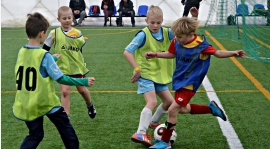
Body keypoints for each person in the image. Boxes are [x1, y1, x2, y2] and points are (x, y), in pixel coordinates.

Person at [146, 15, 246, 149]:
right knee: (182, 109)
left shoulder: (201, 45)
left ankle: (165, 142)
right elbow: (171, 53)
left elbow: (218, 53)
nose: (178, 39)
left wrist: (233, 53)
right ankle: (211, 109)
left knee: (172, 109)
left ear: (190, 34)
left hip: (190, 83)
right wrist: (156, 54)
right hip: (180, 80)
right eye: (177, 36)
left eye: (180, 37)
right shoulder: (177, 40)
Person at [13, 12, 95, 149]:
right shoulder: (44, 55)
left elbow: (34, 65)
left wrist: (54, 59)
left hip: (26, 103)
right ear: (42, 33)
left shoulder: (22, 51)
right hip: (45, 102)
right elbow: (61, 78)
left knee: (35, 135)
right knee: (67, 131)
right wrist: (84, 82)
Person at [123, 5, 198, 147]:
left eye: (158, 22)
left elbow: (184, 33)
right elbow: (127, 52)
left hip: (160, 75)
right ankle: (141, 132)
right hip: (145, 74)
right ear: (146, 21)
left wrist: (193, 18)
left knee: (169, 103)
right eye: (152, 22)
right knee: (152, 102)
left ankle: (153, 122)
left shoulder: (167, 33)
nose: (155, 25)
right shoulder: (143, 35)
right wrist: (137, 69)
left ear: (162, 21)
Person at [42, 6, 96, 120]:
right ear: (58, 19)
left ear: (72, 18)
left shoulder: (77, 33)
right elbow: (45, 49)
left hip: (76, 67)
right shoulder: (54, 33)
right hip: (62, 68)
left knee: (81, 90)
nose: (67, 20)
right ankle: (66, 117)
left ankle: (90, 105)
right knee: (65, 91)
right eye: (64, 18)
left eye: (69, 17)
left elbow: (79, 50)